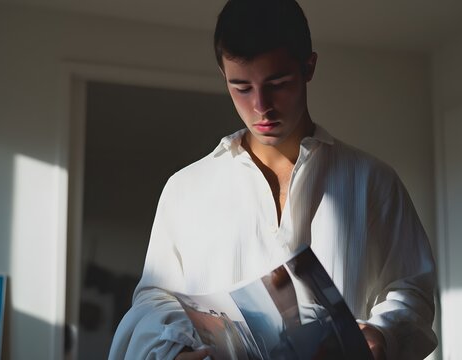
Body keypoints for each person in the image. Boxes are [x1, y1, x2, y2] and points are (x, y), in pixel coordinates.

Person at [109, 0, 438, 359]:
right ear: (223, 75)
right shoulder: (185, 190)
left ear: (308, 67)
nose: (261, 106)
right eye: (241, 87)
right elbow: (153, 300)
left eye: (277, 83)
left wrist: (383, 334)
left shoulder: (374, 182)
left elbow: (413, 289)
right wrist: (169, 352)